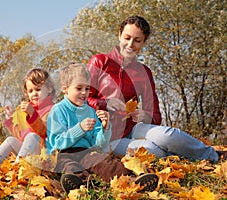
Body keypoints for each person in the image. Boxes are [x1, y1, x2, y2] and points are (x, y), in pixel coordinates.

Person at [87, 15, 226, 161]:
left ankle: (214, 155)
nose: (130, 44)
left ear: (144, 42)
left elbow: (155, 115)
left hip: (133, 128)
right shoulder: (100, 62)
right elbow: (81, 100)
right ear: (119, 35)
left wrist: (144, 116)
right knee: (151, 150)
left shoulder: (144, 72)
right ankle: (180, 158)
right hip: (104, 135)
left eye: (137, 40)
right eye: (127, 38)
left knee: (167, 135)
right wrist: (104, 104)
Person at [46, 63, 159, 194]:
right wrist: (80, 128)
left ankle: (132, 181)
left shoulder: (90, 111)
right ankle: (79, 184)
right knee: (69, 167)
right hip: (63, 153)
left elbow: (99, 144)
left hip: (86, 152)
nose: (84, 93)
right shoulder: (58, 110)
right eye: (79, 88)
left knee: (105, 163)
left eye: (87, 88)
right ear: (65, 89)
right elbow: (56, 142)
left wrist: (105, 128)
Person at [0, 68, 55, 169]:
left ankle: (18, 169)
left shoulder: (53, 110)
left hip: (44, 156)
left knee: (32, 136)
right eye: (30, 91)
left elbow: (44, 132)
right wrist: (10, 120)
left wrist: (32, 114)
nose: (34, 94)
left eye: (38, 89)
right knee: (11, 140)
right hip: (28, 153)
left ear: (49, 88)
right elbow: (21, 136)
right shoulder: (27, 111)